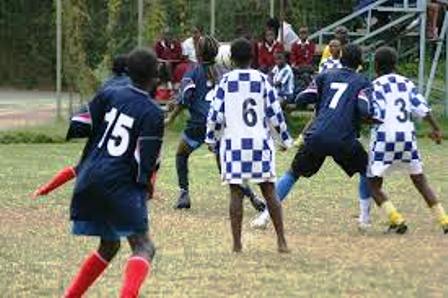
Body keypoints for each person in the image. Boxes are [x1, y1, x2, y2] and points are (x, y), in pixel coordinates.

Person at [37, 48, 164, 297]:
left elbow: (80, 123)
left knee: (109, 245)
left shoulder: (109, 94)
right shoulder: (153, 112)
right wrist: (148, 186)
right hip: (120, 184)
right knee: (144, 247)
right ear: (155, 77)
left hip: (88, 177)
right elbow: (146, 160)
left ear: (128, 72)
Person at [251, 44, 374, 230]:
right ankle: (364, 219)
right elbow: (365, 109)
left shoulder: (325, 75)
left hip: (317, 135)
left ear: (340, 59)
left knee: (293, 173)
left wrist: (321, 100)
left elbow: (302, 98)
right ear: (360, 63)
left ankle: (264, 217)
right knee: (367, 171)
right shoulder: (363, 82)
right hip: (344, 138)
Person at [206, 37, 292, 253]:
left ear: (231, 59)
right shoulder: (263, 80)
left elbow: (215, 115)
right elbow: (275, 113)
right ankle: (281, 241)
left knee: (236, 192)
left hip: (234, 145)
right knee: (269, 191)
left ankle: (237, 244)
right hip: (260, 144)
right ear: (252, 57)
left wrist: (211, 138)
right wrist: (284, 139)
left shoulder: (225, 82)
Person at [166, 35, 266, 212]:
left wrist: (171, 117)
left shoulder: (193, 71)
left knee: (181, 154)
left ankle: (184, 194)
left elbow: (183, 99)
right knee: (227, 167)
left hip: (199, 124)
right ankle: (253, 197)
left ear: (198, 52)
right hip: (221, 124)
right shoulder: (224, 72)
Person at [33, 54, 151, 199]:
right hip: (126, 128)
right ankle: (146, 190)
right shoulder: (132, 84)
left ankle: (45, 189)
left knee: (83, 166)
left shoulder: (107, 84)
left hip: (103, 128)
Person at [366, 46, 448, 233]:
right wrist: (435, 128)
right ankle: (444, 220)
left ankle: (397, 220)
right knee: (420, 180)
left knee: (372, 184)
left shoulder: (375, 85)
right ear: (395, 65)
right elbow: (422, 108)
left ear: (376, 65)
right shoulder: (406, 84)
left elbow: (370, 112)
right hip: (407, 137)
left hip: (384, 138)